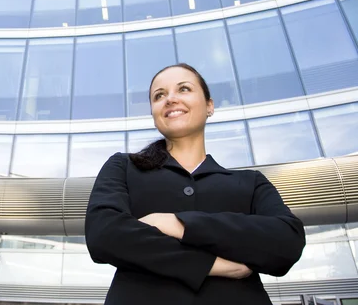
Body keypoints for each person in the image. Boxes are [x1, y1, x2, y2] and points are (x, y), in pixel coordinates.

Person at [84, 63, 306, 305]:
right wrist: (213, 265)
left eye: (184, 89)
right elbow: (104, 234)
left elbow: (287, 241)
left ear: (209, 106)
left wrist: (178, 224)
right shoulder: (123, 167)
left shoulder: (250, 182)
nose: (170, 99)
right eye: (159, 95)